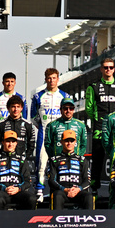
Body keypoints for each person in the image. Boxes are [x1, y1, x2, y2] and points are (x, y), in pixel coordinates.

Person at [85, 57, 115, 201]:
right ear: (101, 69)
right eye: (105, 67)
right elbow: (89, 108)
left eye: (111, 67)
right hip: (99, 129)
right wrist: (98, 120)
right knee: (97, 161)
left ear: (114, 69)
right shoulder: (93, 86)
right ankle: (94, 189)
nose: (108, 70)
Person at [31, 67, 70, 198]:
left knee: (61, 163)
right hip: (44, 133)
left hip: (60, 134)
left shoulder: (65, 96)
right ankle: (39, 190)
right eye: (49, 78)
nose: (51, 80)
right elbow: (33, 117)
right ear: (45, 79)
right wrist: (42, 126)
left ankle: (59, 189)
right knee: (41, 162)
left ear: (58, 79)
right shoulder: (38, 96)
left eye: (54, 78)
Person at [0, 130, 37, 212]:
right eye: (8, 141)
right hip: (2, 191)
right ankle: (1, 224)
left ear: (16, 143)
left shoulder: (22, 159)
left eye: (13, 142)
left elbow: (27, 181)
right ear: (3, 142)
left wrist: (18, 188)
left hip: (18, 192)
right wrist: (4, 188)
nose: (10, 144)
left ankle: (25, 224)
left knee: (32, 198)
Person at [47, 129, 94, 210]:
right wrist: (64, 189)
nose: (69, 143)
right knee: (57, 195)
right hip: (62, 191)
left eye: (71, 141)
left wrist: (78, 189)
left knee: (89, 196)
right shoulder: (54, 160)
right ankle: (57, 221)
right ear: (61, 142)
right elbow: (51, 180)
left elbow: (87, 180)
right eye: (66, 141)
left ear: (75, 142)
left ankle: (89, 222)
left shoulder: (82, 160)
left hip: (78, 191)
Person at [44, 98, 88, 163]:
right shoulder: (52, 125)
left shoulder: (81, 125)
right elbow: (48, 145)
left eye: (71, 108)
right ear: (60, 110)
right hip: (57, 162)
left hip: (75, 162)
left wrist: (78, 157)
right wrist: (54, 158)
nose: (68, 111)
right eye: (65, 108)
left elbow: (83, 145)